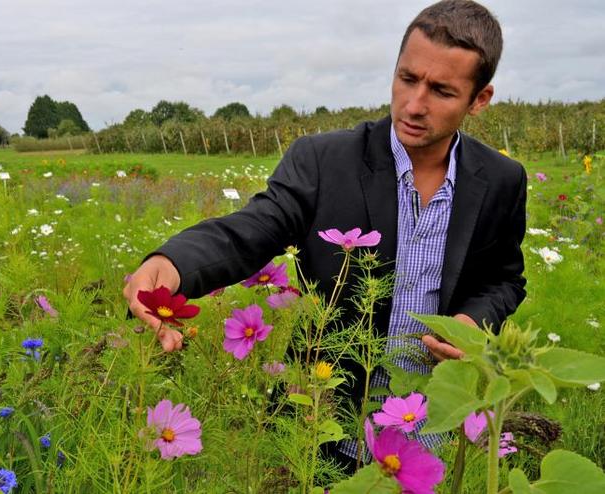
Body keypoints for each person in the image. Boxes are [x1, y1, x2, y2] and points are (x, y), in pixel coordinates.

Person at [124, 0, 526, 467]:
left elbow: (504, 280)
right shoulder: (325, 160)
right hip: (325, 422)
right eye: (407, 78)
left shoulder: (500, 179)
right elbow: (252, 229)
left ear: (480, 99)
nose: (414, 105)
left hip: (436, 424)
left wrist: (471, 324)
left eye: (441, 90)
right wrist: (171, 264)